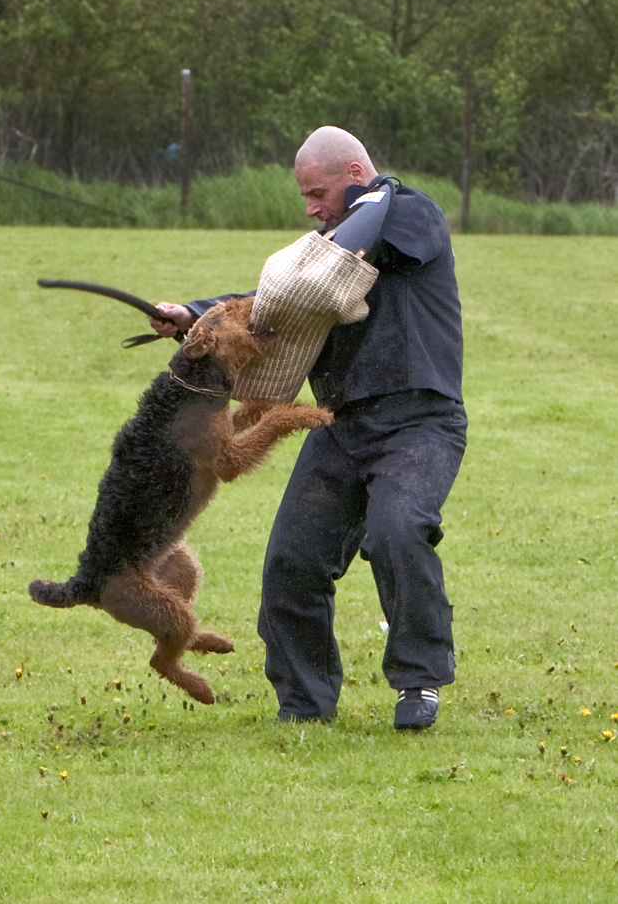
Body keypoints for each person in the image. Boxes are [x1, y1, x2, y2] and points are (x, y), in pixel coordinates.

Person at [149, 126, 466, 730]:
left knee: (397, 531)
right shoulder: (328, 248)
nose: (310, 208)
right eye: (306, 198)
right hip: (341, 425)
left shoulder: (409, 212)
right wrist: (193, 313)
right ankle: (304, 705)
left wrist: (365, 203)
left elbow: (349, 246)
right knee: (291, 562)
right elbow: (272, 299)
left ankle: (418, 681)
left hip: (419, 424)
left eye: (318, 193)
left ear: (355, 173)